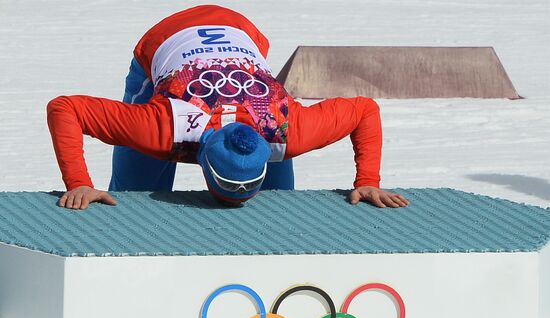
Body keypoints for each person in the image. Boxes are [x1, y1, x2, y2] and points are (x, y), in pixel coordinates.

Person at [46, 5, 410, 210]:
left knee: (278, 208)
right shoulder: (163, 125)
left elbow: (364, 110)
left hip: (243, 35)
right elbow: (65, 108)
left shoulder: (285, 129)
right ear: (199, 158)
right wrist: (80, 184)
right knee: (128, 196)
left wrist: (368, 181)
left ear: (265, 149)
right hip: (167, 37)